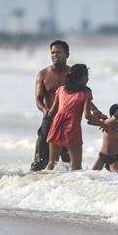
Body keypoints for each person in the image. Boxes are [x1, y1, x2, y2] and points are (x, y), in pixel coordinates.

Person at [45, 64, 96, 171]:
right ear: (82, 78)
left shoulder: (61, 90)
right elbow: (87, 116)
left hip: (57, 126)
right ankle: (74, 186)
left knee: (52, 163)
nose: (88, 78)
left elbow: (51, 112)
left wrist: (45, 116)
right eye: (86, 76)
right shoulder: (86, 92)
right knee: (76, 166)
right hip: (72, 128)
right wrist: (102, 124)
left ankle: (41, 183)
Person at [31, 40, 72, 171]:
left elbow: (83, 95)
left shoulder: (73, 74)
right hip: (49, 119)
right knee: (40, 160)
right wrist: (44, 109)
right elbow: (38, 98)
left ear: (67, 55)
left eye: (59, 52)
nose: (55, 55)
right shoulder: (43, 74)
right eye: (53, 52)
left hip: (68, 121)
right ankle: (36, 185)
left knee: (69, 163)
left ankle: (73, 186)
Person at [92, 104, 118, 172]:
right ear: (112, 116)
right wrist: (98, 117)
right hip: (102, 156)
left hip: (113, 158)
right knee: (91, 175)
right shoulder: (105, 122)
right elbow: (89, 122)